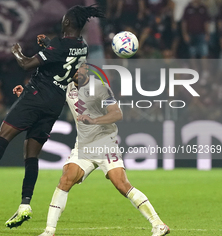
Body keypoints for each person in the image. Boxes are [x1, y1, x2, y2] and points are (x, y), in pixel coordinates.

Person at [0, 5, 105, 228]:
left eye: (64, 20)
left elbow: (26, 63)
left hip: (35, 96)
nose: (62, 22)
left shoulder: (59, 44)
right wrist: (48, 46)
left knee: (2, 135)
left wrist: (16, 51)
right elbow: (64, 61)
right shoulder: (83, 47)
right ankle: (25, 204)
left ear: (68, 23)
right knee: (31, 154)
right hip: (54, 104)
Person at [24, 63, 169, 236]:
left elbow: (117, 113)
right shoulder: (67, 87)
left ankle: (158, 224)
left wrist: (94, 121)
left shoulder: (100, 88)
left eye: (81, 68)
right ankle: (49, 231)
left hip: (104, 143)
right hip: (83, 146)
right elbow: (46, 99)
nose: (77, 72)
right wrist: (26, 96)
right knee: (65, 179)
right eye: (74, 69)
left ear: (86, 69)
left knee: (122, 185)